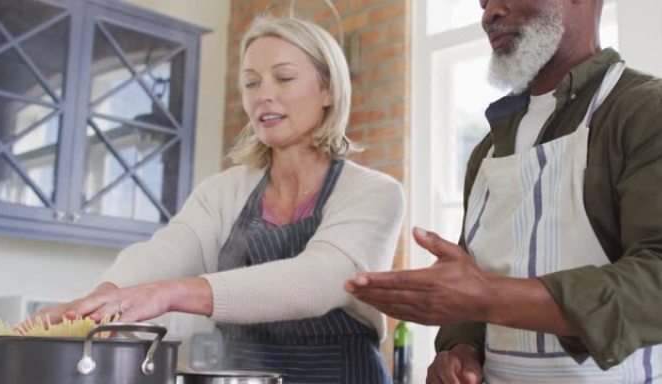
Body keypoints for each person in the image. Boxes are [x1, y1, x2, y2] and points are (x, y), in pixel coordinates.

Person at [38, 16, 404, 383]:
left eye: (284, 78)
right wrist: (101, 300)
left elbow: (317, 281)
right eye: (250, 82)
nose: (263, 94)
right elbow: (167, 251)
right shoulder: (222, 192)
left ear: (328, 91)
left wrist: (170, 294)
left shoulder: (373, 192)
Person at [346, 0, 662, 382]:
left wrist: (491, 297)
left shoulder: (643, 111)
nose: (489, 13)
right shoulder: (488, 150)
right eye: (482, 2)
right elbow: (475, 273)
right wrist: (458, 349)